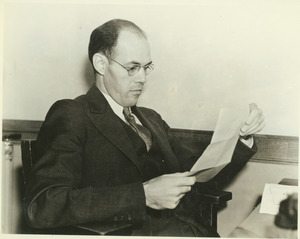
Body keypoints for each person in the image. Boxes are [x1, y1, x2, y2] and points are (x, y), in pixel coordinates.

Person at [23, 19, 265, 237]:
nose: (142, 79)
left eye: (146, 67)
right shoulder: (72, 114)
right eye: (132, 68)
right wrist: (143, 195)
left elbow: (199, 174)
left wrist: (241, 136)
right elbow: (42, 206)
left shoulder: (151, 118)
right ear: (101, 64)